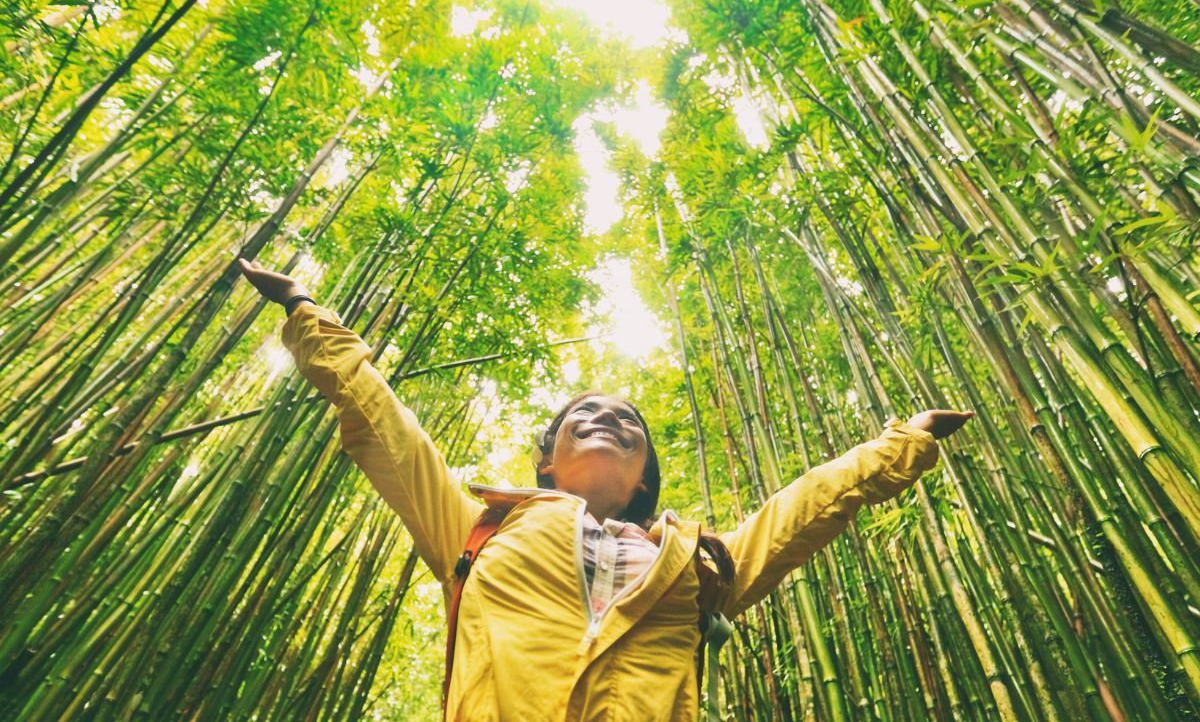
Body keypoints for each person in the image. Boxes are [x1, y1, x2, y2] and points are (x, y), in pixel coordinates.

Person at [238, 257, 974, 721]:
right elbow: (381, 421)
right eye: (581, 416)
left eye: (627, 420)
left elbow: (804, 507)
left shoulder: (703, 563)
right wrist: (307, 311)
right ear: (546, 461)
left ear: (645, 472)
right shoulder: (474, 526)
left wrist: (903, 442)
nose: (605, 419)